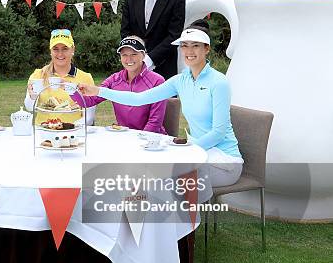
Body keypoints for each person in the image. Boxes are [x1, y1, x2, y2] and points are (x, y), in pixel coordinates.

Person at [78, 21, 243, 187]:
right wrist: (98, 91)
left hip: (224, 160)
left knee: (165, 181)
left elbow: (219, 133)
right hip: (197, 153)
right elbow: (138, 99)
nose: (189, 51)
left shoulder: (219, 82)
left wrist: (187, 148)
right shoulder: (180, 80)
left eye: (196, 46)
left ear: (206, 49)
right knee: (148, 177)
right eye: (185, 45)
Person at [70, 36, 167, 133]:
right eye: (124, 55)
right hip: (124, 136)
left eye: (134, 54)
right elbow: (88, 102)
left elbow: (154, 123)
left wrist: (139, 142)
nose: (129, 59)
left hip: (152, 141)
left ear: (144, 55)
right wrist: (69, 88)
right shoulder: (114, 79)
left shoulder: (157, 81)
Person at [120, 0, 185, 80]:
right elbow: (125, 32)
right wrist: (136, 56)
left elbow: (174, 35)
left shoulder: (176, 0)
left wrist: (150, 59)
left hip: (164, 66)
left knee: (164, 101)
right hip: (133, 65)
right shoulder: (131, 0)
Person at [25, 29, 95, 125]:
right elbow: (29, 107)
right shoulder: (38, 75)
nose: (60, 54)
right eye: (55, 49)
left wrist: (68, 128)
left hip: (73, 134)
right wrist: (32, 96)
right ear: (50, 51)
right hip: (43, 132)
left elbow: (89, 117)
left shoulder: (86, 78)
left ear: (73, 49)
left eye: (65, 48)